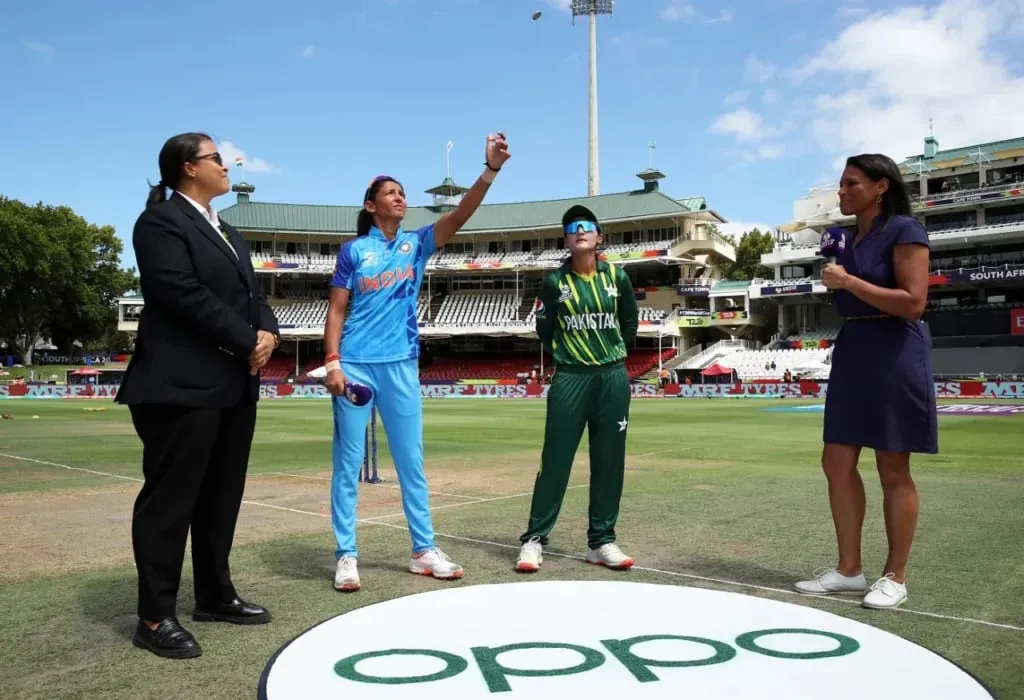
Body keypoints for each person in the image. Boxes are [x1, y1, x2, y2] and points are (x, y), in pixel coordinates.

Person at [323, 131, 511, 592]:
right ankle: (346, 555)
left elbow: (461, 214)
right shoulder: (354, 252)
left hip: (402, 365)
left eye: (402, 192)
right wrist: (332, 362)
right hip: (357, 366)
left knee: (411, 462)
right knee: (348, 463)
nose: (400, 197)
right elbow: (336, 310)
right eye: (391, 192)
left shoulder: (417, 243)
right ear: (371, 206)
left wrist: (490, 170)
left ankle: (423, 550)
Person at [116, 132, 280, 658]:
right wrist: (244, 337)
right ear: (189, 167)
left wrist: (269, 331)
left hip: (231, 384)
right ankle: (154, 615)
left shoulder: (228, 230)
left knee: (220, 497)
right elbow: (179, 292)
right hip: (179, 384)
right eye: (216, 158)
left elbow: (252, 296)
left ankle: (214, 594)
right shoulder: (161, 221)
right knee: (171, 500)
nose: (226, 164)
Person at [794, 153, 936, 610]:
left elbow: (914, 303)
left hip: (895, 349)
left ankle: (895, 576)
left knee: (893, 466)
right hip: (854, 346)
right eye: (840, 184)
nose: (842, 191)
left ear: (880, 187)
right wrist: (841, 281)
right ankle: (849, 570)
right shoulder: (844, 238)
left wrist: (850, 282)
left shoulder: (904, 230)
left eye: (851, 183)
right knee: (836, 460)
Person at [515, 204, 639, 573]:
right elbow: (545, 330)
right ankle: (535, 539)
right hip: (570, 376)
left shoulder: (617, 278)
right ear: (567, 239)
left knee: (609, 461)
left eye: (587, 227)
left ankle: (601, 541)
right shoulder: (555, 283)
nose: (580, 231)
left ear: (600, 236)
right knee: (555, 460)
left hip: (612, 377)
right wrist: (574, 356)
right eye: (573, 228)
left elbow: (629, 324)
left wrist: (608, 357)